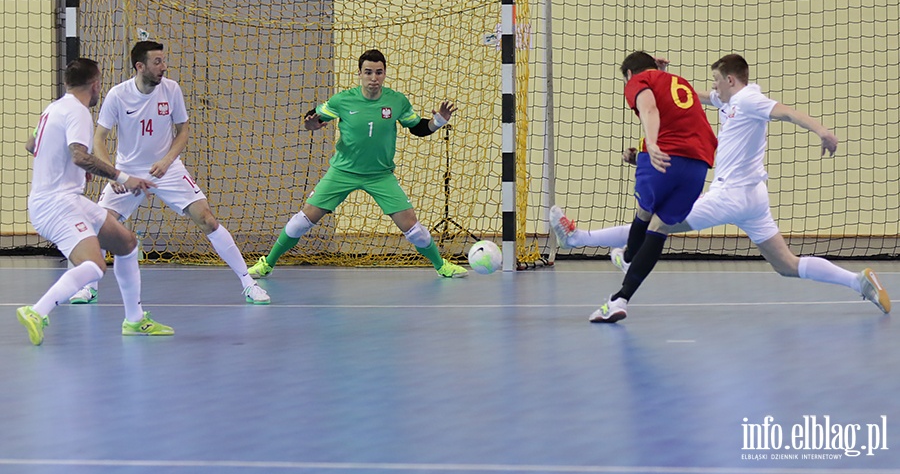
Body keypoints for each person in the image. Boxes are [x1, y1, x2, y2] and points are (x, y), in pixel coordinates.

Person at [551, 53, 890, 318]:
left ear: (730, 79)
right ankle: (858, 281)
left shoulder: (748, 101)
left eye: (716, 80)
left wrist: (822, 131)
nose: (713, 87)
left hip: (729, 195)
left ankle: (581, 241)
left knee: (658, 222)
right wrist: (658, 75)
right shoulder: (728, 102)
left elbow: (786, 112)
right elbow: (688, 98)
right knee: (787, 265)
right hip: (753, 197)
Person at [68, 41, 270, 305]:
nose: (164, 67)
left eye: (164, 61)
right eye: (157, 62)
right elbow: (99, 138)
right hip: (127, 171)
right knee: (100, 227)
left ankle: (248, 282)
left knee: (207, 219)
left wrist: (166, 160)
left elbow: (182, 130)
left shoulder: (171, 89)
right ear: (140, 66)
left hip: (168, 169)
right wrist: (113, 174)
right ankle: (89, 287)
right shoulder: (118, 95)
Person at [248, 49, 468, 279]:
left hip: (380, 175)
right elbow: (313, 118)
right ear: (360, 73)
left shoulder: (397, 101)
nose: (374, 77)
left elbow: (419, 129)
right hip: (342, 172)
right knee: (300, 223)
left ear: (384, 74)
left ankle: (442, 266)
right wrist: (311, 125)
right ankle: (267, 264)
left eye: (379, 72)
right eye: (368, 72)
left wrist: (439, 120)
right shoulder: (342, 100)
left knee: (415, 230)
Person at [553, 51, 718, 323]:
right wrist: (661, 73)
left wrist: (651, 144)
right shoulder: (678, 81)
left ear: (630, 74)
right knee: (659, 229)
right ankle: (620, 299)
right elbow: (673, 105)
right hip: (699, 164)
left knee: (643, 214)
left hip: (665, 157)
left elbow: (650, 108)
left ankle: (627, 256)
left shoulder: (637, 82)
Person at [17, 58, 172, 345]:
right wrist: (124, 178)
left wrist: (75, 170)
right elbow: (78, 155)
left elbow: (32, 146)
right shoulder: (77, 112)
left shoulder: (54, 108)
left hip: (67, 199)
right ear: (96, 83)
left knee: (126, 243)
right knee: (95, 266)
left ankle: (134, 321)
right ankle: (37, 311)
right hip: (55, 205)